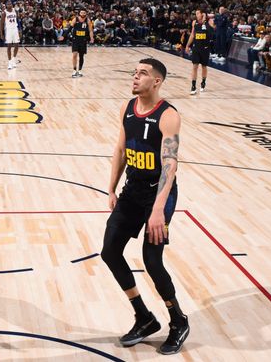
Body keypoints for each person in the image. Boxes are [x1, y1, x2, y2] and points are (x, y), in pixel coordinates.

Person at [100, 57, 189, 355]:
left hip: (158, 196)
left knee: (152, 261)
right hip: (132, 192)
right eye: (134, 72)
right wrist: (111, 188)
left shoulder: (168, 115)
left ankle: (178, 320)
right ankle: (144, 317)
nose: (135, 77)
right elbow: (121, 149)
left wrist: (158, 211)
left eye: (142, 74)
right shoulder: (128, 108)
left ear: (157, 81)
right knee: (110, 251)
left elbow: (170, 164)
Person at [184, 9, 214, 95]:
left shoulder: (209, 21)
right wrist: (187, 45)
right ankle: (193, 86)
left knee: (204, 67)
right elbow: (192, 35)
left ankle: (203, 82)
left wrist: (205, 21)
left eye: (197, 13)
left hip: (205, 48)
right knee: (195, 66)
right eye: (196, 13)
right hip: (196, 48)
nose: (196, 15)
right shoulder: (194, 22)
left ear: (202, 14)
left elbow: (211, 32)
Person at [70, 8, 94, 77]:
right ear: (79, 13)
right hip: (75, 39)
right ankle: (74, 70)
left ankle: (80, 70)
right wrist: (63, 36)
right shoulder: (75, 19)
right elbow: (70, 28)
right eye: (81, 13)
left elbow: (90, 30)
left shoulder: (88, 20)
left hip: (83, 40)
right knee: (74, 54)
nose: (83, 14)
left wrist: (91, 37)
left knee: (81, 56)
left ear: (86, 13)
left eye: (84, 13)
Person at [0, 3, 20, 69]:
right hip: (8, 30)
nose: (9, 5)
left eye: (10, 4)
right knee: (9, 46)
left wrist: (19, 30)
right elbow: (1, 24)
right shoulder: (4, 13)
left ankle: (13, 60)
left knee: (17, 45)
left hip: (15, 29)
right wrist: (1, 34)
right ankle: (9, 63)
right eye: (8, 4)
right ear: (6, 6)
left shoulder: (15, 11)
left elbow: (18, 21)